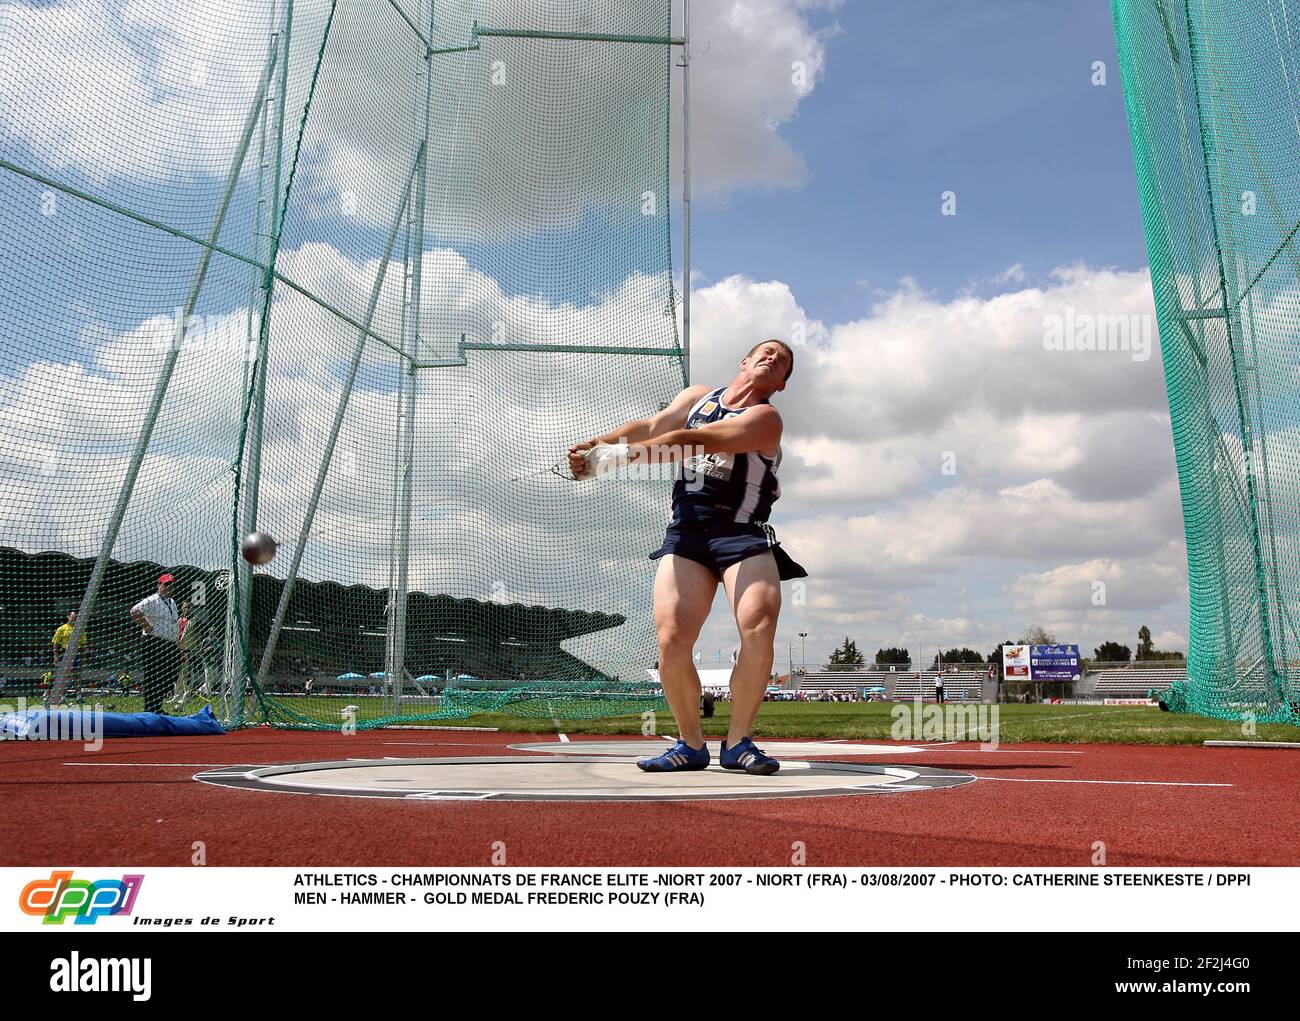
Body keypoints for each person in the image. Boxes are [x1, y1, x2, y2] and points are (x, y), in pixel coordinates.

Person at [568, 339, 805, 775]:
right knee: (672, 640)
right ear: (745, 360)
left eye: (782, 362)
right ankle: (690, 745)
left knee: (759, 622)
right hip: (688, 533)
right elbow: (654, 425)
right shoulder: (698, 396)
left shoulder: (766, 418)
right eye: (767, 351)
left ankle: (738, 743)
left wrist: (613, 458)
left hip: (741, 534)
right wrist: (596, 444)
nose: (773, 358)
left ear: (782, 384)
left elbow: (693, 440)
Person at [130, 573, 182, 714]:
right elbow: (134, 611)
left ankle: (156, 705)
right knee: (153, 676)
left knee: (171, 674)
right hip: (154, 641)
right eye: (166, 584)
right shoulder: (152, 600)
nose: (169, 587)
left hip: (170, 643)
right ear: (159, 585)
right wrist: (147, 626)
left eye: (171, 585)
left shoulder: (172, 602)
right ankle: (151, 708)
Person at [51, 610, 86, 700]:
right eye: (72, 616)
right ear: (68, 617)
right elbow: (55, 644)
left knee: (76, 676)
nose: (74, 618)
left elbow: (83, 645)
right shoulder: (61, 629)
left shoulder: (80, 629)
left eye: (75, 617)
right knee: (63, 676)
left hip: (75, 654)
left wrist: (82, 658)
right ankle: (62, 697)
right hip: (64, 653)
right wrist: (56, 657)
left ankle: (79, 696)